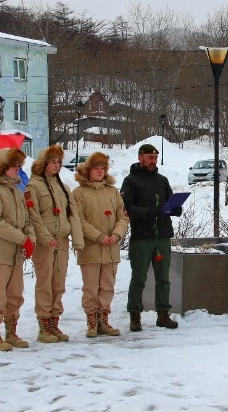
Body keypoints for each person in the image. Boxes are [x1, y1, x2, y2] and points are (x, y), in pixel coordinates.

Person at [27, 144, 84, 344]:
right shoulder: (33, 187)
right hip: (46, 243)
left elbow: (73, 214)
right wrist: (45, 238)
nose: (56, 165)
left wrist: (77, 240)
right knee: (45, 283)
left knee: (58, 284)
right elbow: (33, 217)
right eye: (52, 162)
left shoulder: (63, 187)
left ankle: (54, 322)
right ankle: (44, 325)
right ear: (43, 164)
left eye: (59, 162)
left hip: (61, 241)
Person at [121, 143, 181, 331]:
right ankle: (135, 316)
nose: (153, 161)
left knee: (163, 278)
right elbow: (126, 207)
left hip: (162, 235)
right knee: (138, 278)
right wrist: (148, 212)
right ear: (140, 158)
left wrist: (176, 208)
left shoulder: (162, 180)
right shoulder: (131, 181)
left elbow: (170, 200)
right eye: (149, 157)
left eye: (155, 158)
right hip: (142, 237)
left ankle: (163, 314)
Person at [0, 147, 35, 352]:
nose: (17, 169)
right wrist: (23, 239)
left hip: (15, 255)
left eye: (19, 165)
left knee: (15, 295)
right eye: (13, 165)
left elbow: (26, 219)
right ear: (3, 167)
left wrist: (30, 238)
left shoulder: (16, 190)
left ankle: (11, 333)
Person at [72, 152, 128, 337]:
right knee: (90, 286)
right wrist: (98, 236)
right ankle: (91, 321)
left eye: (102, 168)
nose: (99, 171)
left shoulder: (113, 191)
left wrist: (117, 234)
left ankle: (104, 319)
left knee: (107, 286)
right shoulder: (79, 193)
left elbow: (123, 216)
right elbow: (78, 219)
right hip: (91, 248)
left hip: (111, 248)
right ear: (88, 170)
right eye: (96, 168)